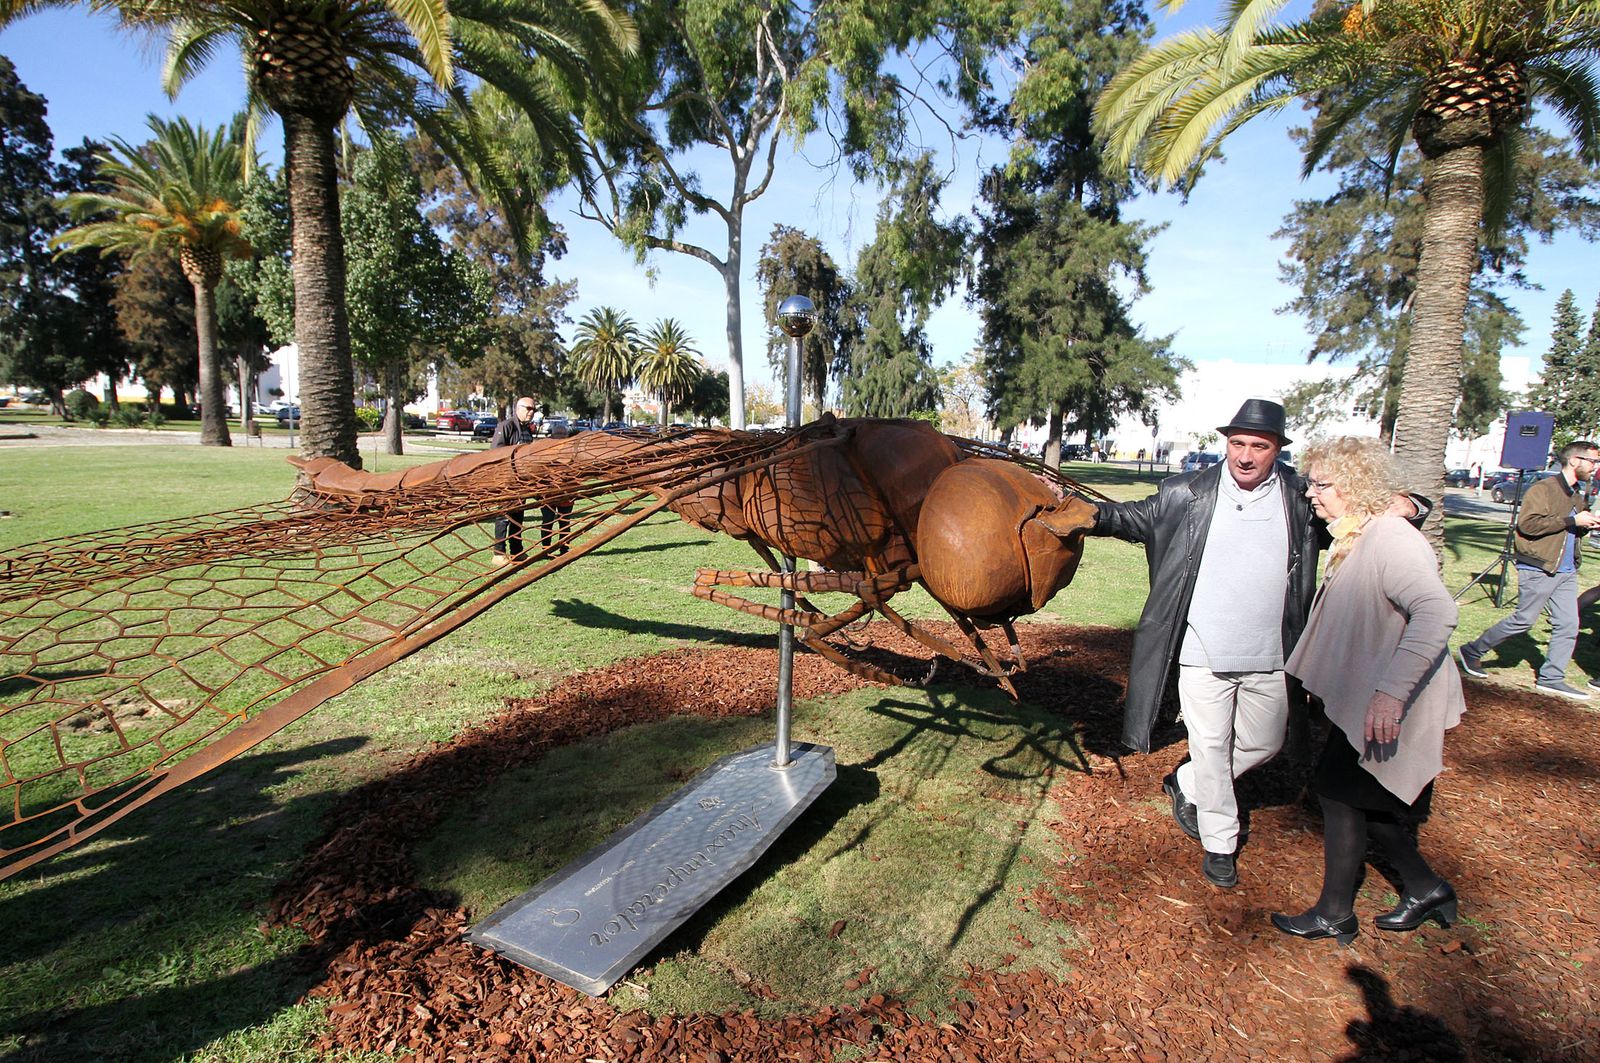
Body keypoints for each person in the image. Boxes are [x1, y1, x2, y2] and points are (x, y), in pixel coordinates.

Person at [1089, 399, 1319, 889]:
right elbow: (1131, 518)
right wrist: (1084, 513)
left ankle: (1188, 782)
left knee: (1264, 742)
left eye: (1259, 446)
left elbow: (1362, 509)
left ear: (1277, 449)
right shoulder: (1188, 492)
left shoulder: (1300, 497)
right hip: (1202, 650)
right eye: (1237, 444)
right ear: (1226, 444)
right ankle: (1220, 841)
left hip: (1273, 654)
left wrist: (1412, 506)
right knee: (1211, 746)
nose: (1246, 456)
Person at [1272, 437, 1464, 945]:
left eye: (1323, 484)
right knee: (1363, 800)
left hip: (1390, 702)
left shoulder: (1389, 539)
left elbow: (1438, 612)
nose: (1311, 493)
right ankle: (1426, 888)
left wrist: (1390, 695)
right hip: (1369, 700)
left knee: (1338, 791)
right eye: (1310, 482)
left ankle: (1336, 912)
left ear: (1356, 487)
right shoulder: (1357, 533)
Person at [1457, 440, 1600, 700]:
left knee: (1568, 625)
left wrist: (1586, 524)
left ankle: (1551, 678)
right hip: (1539, 567)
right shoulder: (1543, 489)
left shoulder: (1577, 493)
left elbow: (1568, 528)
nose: (1595, 466)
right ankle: (1472, 651)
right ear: (1574, 461)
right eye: (1592, 461)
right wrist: (1572, 520)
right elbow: (1528, 526)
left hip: (1565, 570)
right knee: (1524, 620)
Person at [488, 397, 539, 566]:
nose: (531, 412)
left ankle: (517, 551)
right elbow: (496, 453)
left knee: (518, 516)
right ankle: (498, 553)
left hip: (522, 482)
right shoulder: (506, 426)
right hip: (507, 481)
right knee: (504, 516)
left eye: (534, 409)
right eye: (528, 408)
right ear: (518, 408)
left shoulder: (527, 429)